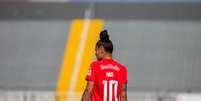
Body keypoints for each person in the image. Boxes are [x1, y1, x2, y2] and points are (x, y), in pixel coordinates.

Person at [81, 30, 128, 101]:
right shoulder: (122, 69)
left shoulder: (95, 66)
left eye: (96, 50)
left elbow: (88, 91)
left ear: (102, 50)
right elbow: (123, 95)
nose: (95, 53)